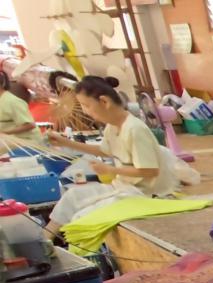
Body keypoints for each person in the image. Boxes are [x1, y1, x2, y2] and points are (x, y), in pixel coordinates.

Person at [44, 76, 176, 233]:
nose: (85, 111)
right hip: (122, 187)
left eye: (87, 105)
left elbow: (150, 171)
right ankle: (46, 239)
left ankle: (66, 242)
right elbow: (105, 150)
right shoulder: (112, 127)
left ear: (104, 101)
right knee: (72, 197)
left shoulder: (135, 129)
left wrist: (110, 170)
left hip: (144, 194)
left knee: (83, 216)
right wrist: (66, 143)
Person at [0, 71, 40, 144]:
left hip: (26, 143)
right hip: (9, 141)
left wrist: (4, 133)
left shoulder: (12, 101)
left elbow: (30, 125)